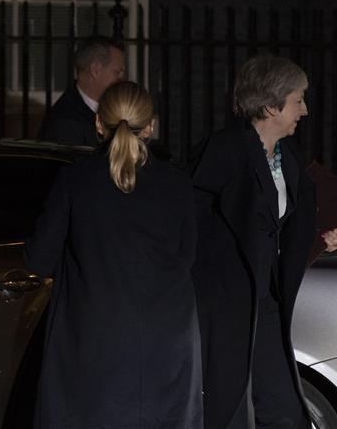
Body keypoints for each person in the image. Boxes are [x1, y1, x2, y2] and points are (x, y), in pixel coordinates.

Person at [25, 81, 202, 428]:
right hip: (167, 336)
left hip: (93, 337)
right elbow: (186, 257)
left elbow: (39, 259)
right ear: (150, 126)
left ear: (98, 123)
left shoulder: (75, 179)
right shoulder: (177, 183)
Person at [191, 54, 337, 429]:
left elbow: (286, 224)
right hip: (226, 302)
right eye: (298, 100)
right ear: (271, 105)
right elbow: (191, 220)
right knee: (225, 408)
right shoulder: (225, 150)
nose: (304, 110)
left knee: (284, 408)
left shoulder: (287, 155)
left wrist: (322, 238)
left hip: (267, 299)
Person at [38, 37, 126, 147]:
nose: (122, 80)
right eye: (117, 72)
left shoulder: (109, 109)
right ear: (95, 70)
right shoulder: (65, 123)